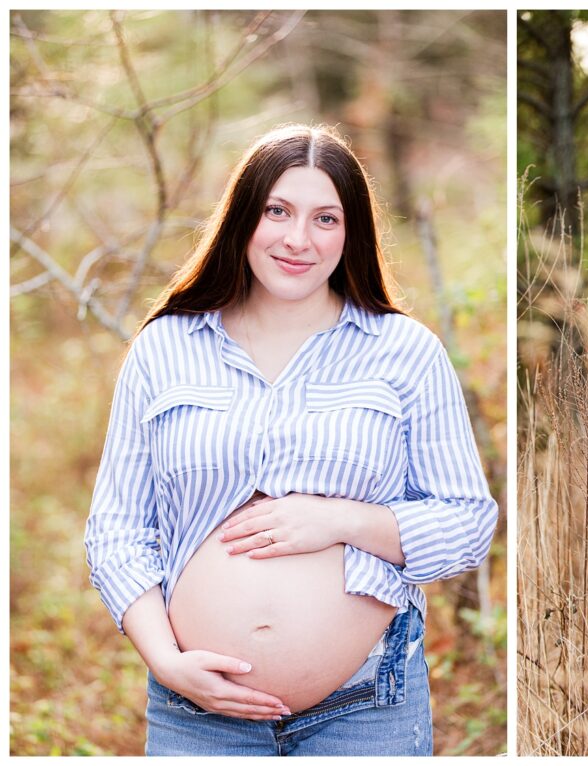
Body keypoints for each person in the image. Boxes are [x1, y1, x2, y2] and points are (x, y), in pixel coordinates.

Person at [85, 123, 499, 756]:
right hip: (195, 708)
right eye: (278, 210)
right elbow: (117, 528)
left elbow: (467, 524)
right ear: (243, 217)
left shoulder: (405, 353)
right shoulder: (165, 349)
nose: (298, 239)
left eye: (325, 218)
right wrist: (167, 662)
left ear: (351, 231)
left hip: (366, 707)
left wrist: (338, 520)